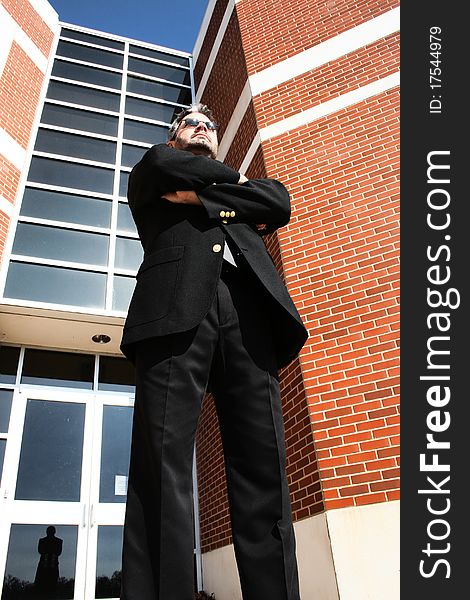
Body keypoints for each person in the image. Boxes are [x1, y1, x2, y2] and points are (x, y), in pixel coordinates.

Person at [120, 103, 308, 600]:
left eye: (210, 125)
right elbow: (169, 169)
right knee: (163, 467)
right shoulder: (154, 167)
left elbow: (279, 201)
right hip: (173, 311)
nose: (203, 128)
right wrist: (237, 191)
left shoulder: (208, 188)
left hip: (250, 319)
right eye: (192, 124)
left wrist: (205, 200)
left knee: (264, 470)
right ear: (174, 136)